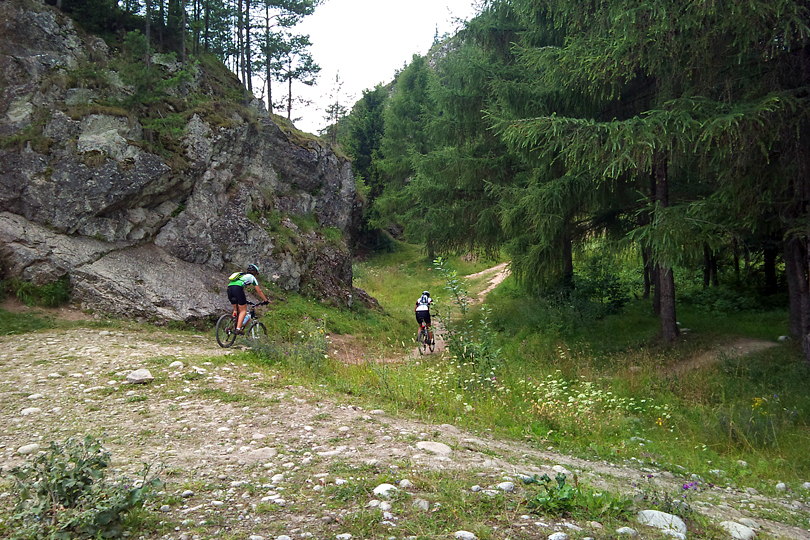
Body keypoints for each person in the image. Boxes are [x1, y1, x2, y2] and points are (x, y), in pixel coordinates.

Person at [227, 263, 269, 334]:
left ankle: (230, 326)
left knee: (236, 309)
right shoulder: (252, 277)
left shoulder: (242, 275)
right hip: (238, 289)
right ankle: (238, 329)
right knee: (243, 310)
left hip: (229, 288)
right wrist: (265, 300)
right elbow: (259, 291)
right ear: (255, 272)